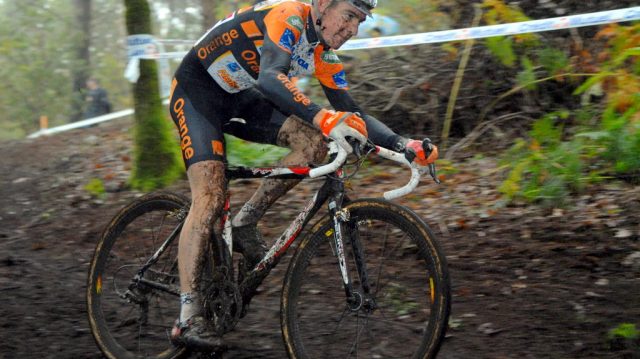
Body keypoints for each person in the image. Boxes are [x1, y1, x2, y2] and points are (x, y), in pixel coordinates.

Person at [168, 0, 439, 350]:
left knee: (313, 144)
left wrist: (404, 144)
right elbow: (270, 77)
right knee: (209, 197)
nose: (353, 29)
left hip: (238, 96)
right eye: (350, 16)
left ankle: (246, 221)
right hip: (197, 92)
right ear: (323, 4)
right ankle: (187, 317)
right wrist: (323, 117)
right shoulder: (289, 16)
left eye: (360, 20)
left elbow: (352, 112)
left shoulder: (323, 54)